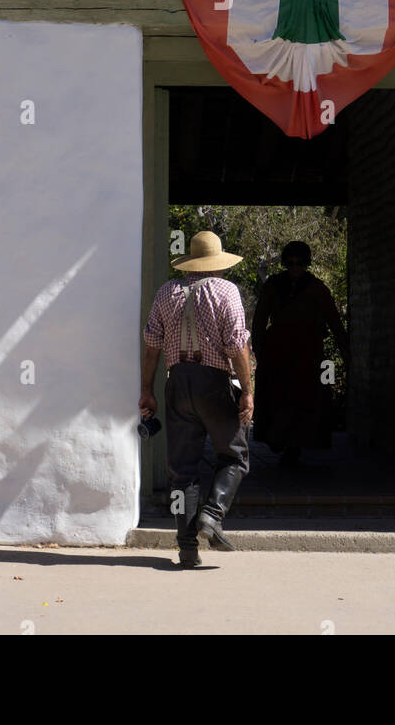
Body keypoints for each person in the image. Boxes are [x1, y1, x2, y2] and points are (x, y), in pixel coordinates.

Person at [139, 230, 253, 568]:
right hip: (214, 383)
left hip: (177, 384)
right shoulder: (226, 291)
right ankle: (212, 515)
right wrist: (247, 390)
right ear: (217, 263)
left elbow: (151, 347)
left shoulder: (166, 292)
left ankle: (186, 548)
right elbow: (237, 345)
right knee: (234, 456)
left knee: (182, 470)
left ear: (191, 261)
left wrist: (146, 389)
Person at [250, 239, 348, 467]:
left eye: (299, 264)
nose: (295, 268)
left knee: (302, 401)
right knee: (278, 398)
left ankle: (293, 447)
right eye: (291, 263)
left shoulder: (317, 289)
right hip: (277, 353)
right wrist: (259, 351)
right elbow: (259, 322)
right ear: (285, 263)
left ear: (306, 264)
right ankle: (278, 439)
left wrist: (347, 355)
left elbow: (335, 323)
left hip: (307, 355)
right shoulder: (273, 286)